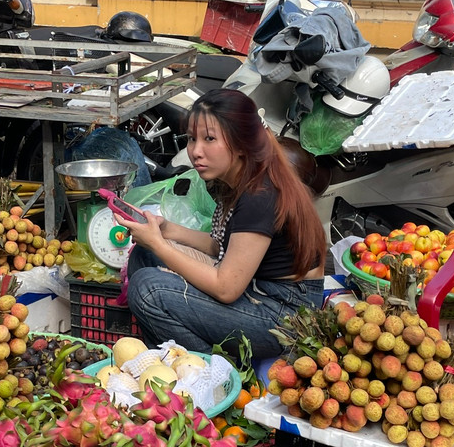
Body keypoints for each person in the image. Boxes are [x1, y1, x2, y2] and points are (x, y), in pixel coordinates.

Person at [116, 88, 327, 360]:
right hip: (259, 289)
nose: (195, 151)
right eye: (192, 139)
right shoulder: (240, 180)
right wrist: (167, 230)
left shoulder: (259, 196)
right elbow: (223, 247)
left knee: (149, 290)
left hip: (286, 315)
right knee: (145, 256)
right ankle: (184, 359)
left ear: (241, 144)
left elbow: (226, 288)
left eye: (209, 139)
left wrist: (159, 242)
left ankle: (217, 372)